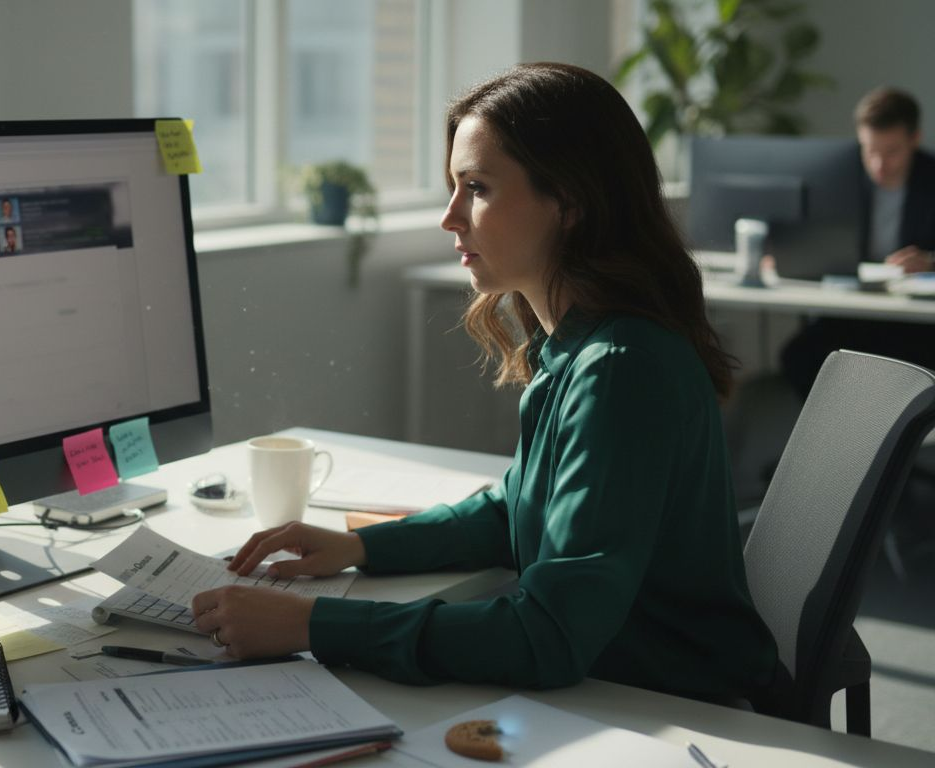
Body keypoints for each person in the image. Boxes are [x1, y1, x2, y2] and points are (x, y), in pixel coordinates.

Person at [191, 62, 778, 704]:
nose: (450, 217)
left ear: (572, 201)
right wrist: (358, 545)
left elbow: (547, 637)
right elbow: (512, 509)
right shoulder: (578, 345)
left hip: (673, 708)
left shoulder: (620, 368)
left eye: (477, 187)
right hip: (617, 682)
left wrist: (310, 624)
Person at [779, 87, 935, 399]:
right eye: (870, 151)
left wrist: (930, 261)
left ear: (914, 139)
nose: (879, 164)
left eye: (892, 152)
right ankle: (840, 435)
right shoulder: (840, 177)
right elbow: (814, 238)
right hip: (854, 310)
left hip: (914, 321)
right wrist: (788, 253)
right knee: (799, 356)